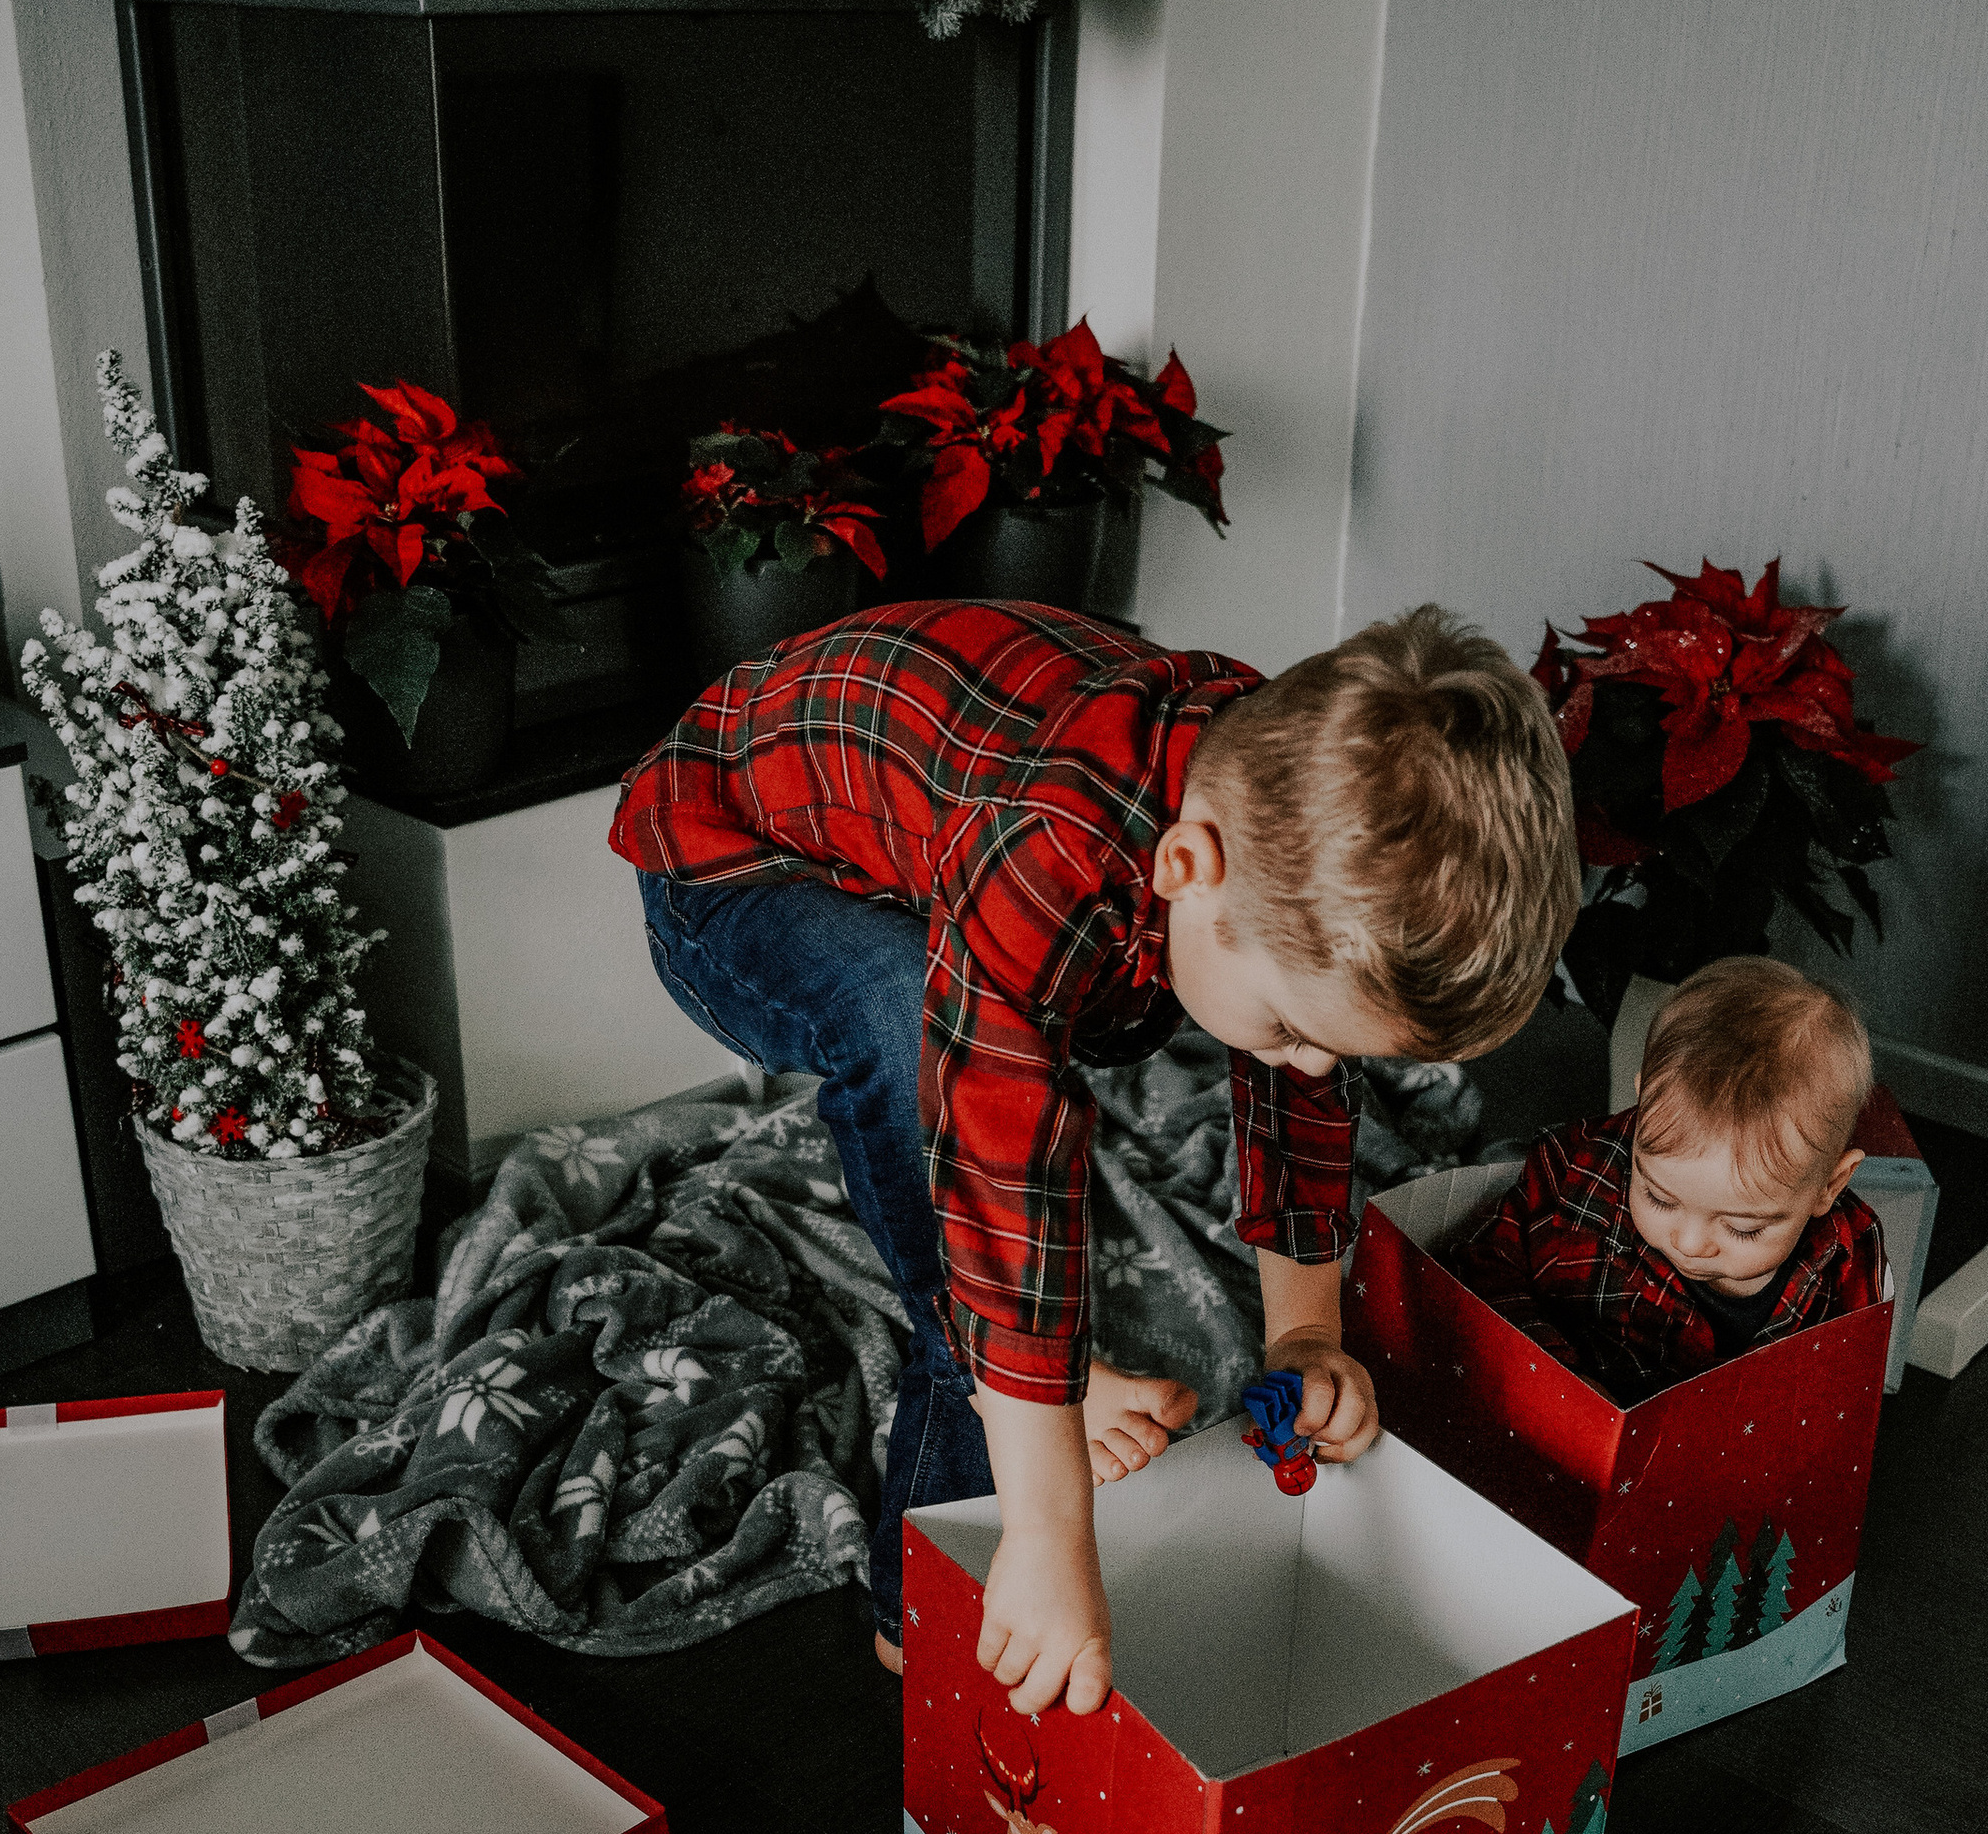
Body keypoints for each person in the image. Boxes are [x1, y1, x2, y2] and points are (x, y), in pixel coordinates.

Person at [610, 597, 1579, 1717]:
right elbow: (997, 1167)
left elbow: (1299, 1106)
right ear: (1185, 866)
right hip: (729, 872)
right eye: (1289, 1029)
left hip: (933, 836)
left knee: (1067, 1070)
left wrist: (1308, 1332)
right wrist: (1051, 1526)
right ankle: (920, 1609)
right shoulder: (1051, 843)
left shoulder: (1290, 826)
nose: (1310, 1067)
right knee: (918, 1043)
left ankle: (1021, 1396)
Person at [1451, 955, 1889, 1405]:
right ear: (1643, 1107)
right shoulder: (1572, 1169)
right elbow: (1485, 1270)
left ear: (1829, 1187)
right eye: (1659, 1198)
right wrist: (1558, 1373)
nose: (1691, 1243)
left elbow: (1843, 1399)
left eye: (1744, 1228)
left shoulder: (1846, 1262)